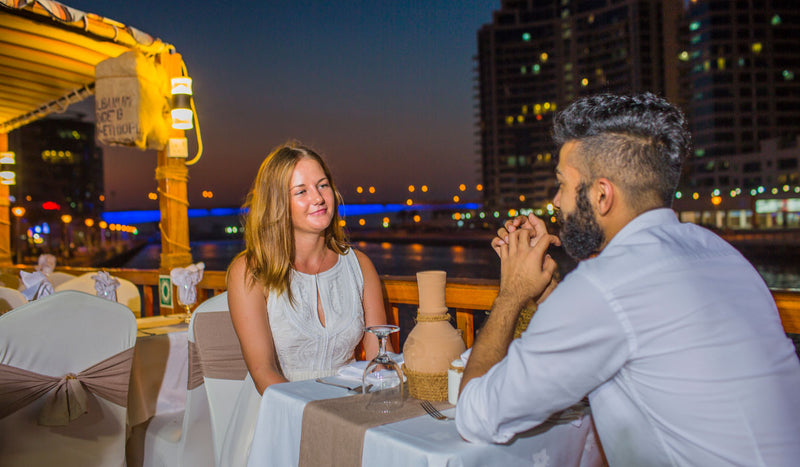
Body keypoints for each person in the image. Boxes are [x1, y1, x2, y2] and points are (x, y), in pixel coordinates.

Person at [456, 93, 800, 465]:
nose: (556, 201)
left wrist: (511, 294)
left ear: (602, 195)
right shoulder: (719, 253)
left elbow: (476, 416)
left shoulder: (605, 284)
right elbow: (626, 333)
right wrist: (548, 293)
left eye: (562, 184)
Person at [221, 141, 389, 465]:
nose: (318, 198)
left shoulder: (360, 265)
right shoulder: (249, 273)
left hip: (351, 411)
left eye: (322, 185)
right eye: (301, 191)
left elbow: (379, 356)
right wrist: (319, 421)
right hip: (279, 415)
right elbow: (263, 372)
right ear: (277, 203)